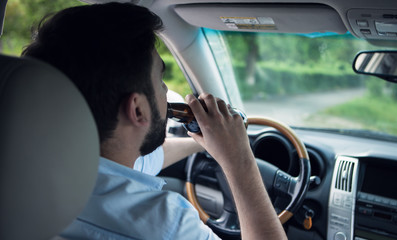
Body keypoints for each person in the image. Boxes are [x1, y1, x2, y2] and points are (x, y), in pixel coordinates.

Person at [22, 2, 287, 240]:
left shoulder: (26, 175)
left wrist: (203, 145)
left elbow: (143, 160)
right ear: (137, 110)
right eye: (160, 81)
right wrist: (239, 160)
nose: (165, 91)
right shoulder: (165, 225)